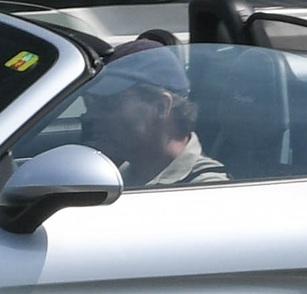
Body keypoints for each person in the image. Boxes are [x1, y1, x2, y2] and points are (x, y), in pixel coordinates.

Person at [78, 39, 228, 187]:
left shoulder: (208, 190)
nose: (91, 115)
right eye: (90, 103)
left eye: (108, 104)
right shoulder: (121, 174)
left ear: (161, 106)